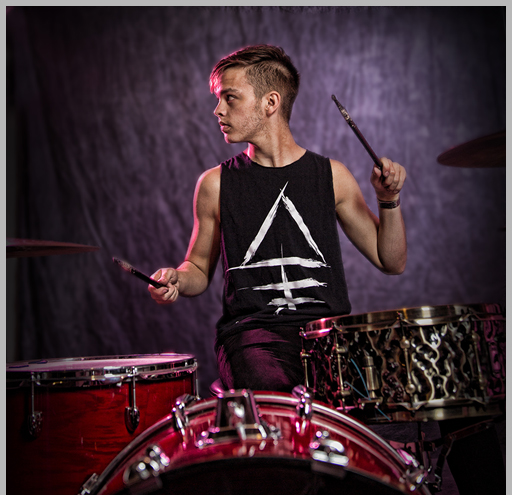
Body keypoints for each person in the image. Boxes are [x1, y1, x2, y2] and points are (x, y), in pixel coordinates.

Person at [148, 44, 406, 393]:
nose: (218, 110)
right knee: (275, 404)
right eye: (219, 99)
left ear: (270, 103)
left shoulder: (332, 175)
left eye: (230, 98)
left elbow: (391, 261)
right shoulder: (215, 184)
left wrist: (387, 200)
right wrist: (177, 278)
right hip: (253, 336)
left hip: (329, 334)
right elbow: (197, 268)